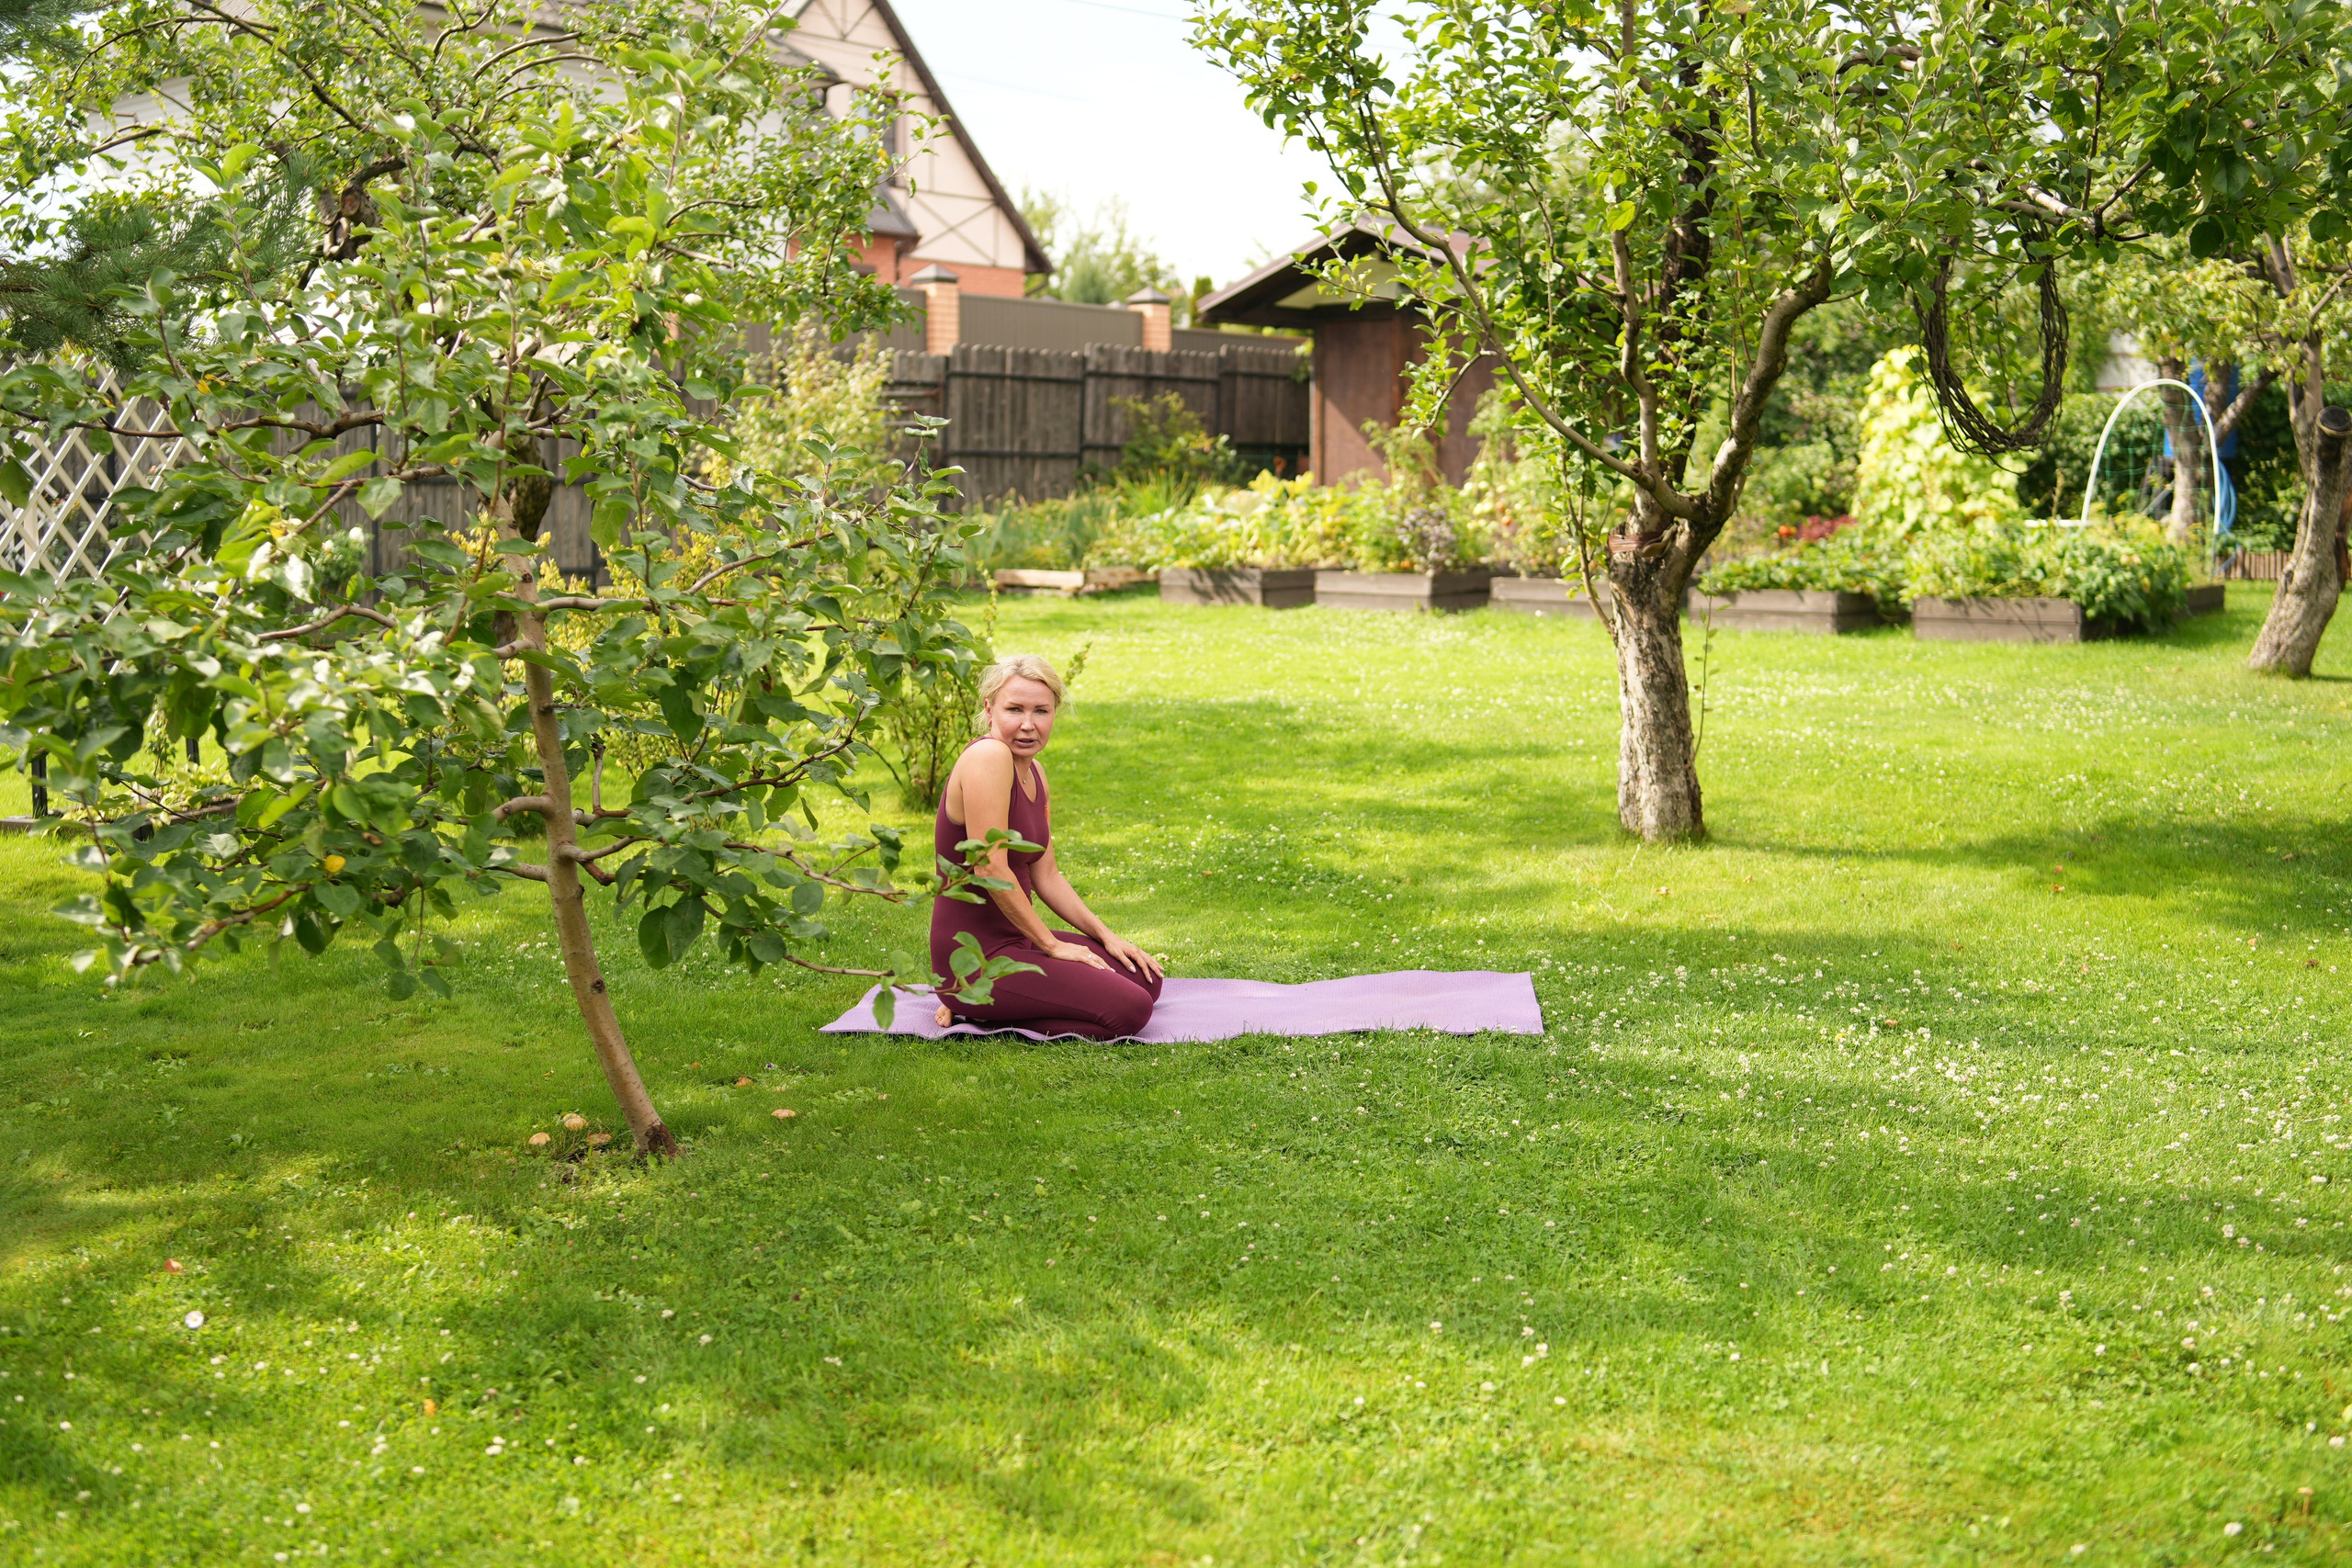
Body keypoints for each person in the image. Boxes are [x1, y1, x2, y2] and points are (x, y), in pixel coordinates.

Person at [929, 653, 1163, 1038]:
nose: (1027, 725)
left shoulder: (1035, 771)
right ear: (989, 710)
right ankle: (976, 1005)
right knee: (1130, 1010)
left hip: (1019, 942)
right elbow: (991, 869)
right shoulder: (988, 757)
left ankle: (996, 1001)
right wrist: (1052, 945)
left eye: (1041, 711)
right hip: (975, 958)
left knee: (1145, 978)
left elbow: (1047, 874)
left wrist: (1107, 937)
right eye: (1014, 709)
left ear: (1055, 713)